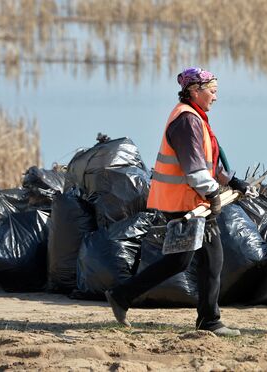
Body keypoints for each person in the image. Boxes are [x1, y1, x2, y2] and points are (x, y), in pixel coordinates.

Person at [105, 67, 255, 337]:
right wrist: (212, 194)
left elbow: (209, 162)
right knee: (211, 260)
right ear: (194, 90)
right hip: (187, 203)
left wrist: (232, 182)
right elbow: (194, 170)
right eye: (213, 91)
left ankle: (122, 296)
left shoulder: (194, 117)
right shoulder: (187, 121)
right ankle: (209, 321)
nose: (216, 97)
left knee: (181, 262)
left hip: (188, 201)